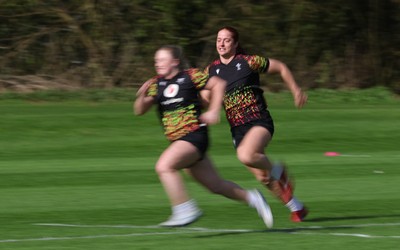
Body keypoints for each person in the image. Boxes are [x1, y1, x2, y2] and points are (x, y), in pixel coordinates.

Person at [134, 45, 273, 228]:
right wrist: (141, 95)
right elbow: (139, 110)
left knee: (164, 166)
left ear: (174, 62)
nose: (157, 63)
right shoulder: (156, 83)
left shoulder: (190, 76)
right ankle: (252, 198)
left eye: (161, 59)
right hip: (180, 142)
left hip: (194, 136)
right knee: (216, 186)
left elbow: (219, 84)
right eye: (156, 60)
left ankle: (184, 210)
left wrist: (214, 110)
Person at [202, 26, 309, 222]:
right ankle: (297, 207)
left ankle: (280, 172)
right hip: (237, 129)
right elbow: (205, 98)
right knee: (263, 178)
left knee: (246, 155)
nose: (221, 43)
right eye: (218, 40)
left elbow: (281, 67)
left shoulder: (249, 62)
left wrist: (296, 90)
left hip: (258, 120)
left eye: (226, 40)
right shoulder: (211, 70)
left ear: (235, 43)